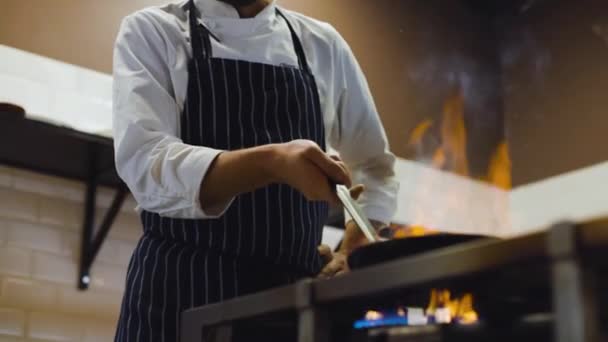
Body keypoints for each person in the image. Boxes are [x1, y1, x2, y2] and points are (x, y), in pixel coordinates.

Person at [112, 0, 399, 340]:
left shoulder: (322, 45)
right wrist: (272, 162)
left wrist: (350, 250)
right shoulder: (153, 30)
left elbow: (373, 166)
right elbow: (147, 164)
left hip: (289, 306)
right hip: (178, 297)